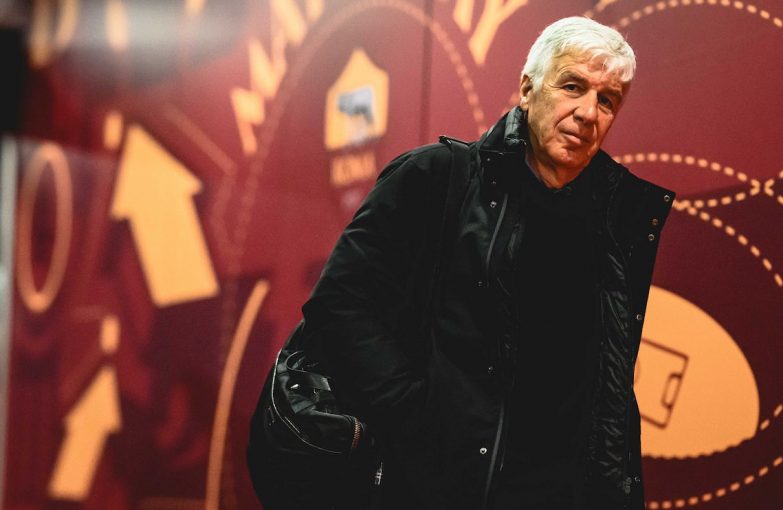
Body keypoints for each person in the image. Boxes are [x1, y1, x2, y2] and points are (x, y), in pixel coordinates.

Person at [251, 15, 674, 510]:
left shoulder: (615, 222)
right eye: (572, 86)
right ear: (528, 89)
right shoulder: (435, 177)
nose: (587, 112)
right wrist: (418, 417)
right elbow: (339, 305)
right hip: (435, 487)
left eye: (607, 100)